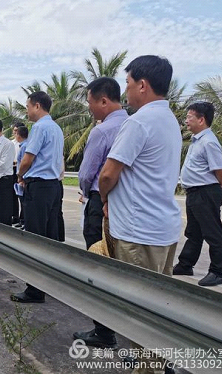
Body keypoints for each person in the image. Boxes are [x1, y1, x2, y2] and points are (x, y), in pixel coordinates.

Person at [99, 55, 181, 374]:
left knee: (140, 315)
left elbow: (108, 174)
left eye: (129, 84)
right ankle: (162, 363)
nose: (128, 91)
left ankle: (151, 369)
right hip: (163, 229)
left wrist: (105, 199)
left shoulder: (138, 122)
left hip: (137, 232)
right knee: (159, 308)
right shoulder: (169, 120)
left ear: (143, 85)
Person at [72, 77, 128, 350]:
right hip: (126, 203)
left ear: (104, 101)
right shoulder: (133, 124)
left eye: (91, 103)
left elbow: (87, 173)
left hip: (99, 199)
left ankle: (103, 331)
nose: (90, 109)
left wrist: (88, 191)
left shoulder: (102, 131)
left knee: (98, 262)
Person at [11, 91, 64, 302]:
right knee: (50, 237)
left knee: (34, 238)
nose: (27, 111)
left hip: (39, 187)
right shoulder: (56, 128)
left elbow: (27, 159)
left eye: (28, 106)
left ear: (37, 106)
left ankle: (35, 290)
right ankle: (49, 284)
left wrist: (20, 175)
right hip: (53, 186)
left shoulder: (40, 127)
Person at [173, 102, 222, 286]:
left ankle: (217, 272)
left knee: (212, 233)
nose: (186, 120)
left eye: (190, 117)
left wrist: (216, 187)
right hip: (195, 192)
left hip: (205, 191)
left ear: (201, 119)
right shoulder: (197, 140)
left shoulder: (209, 141)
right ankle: (185, 265)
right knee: (194, 232)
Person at [13, 125, 29, 229]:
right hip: (22, 175)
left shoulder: (24, 146)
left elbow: (24, 162)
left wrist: (20, 177)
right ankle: (23, 221)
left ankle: (25, 222)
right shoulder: (23, 145)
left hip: (23, 177)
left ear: (19, 135)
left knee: (24, 202)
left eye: (16, 133)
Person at [11, 122, 25, 224]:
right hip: (12, 169)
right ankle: (15, 216)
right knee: (13, 196)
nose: (16, 133)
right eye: (14, 131)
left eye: (17, 131)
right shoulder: (11, 143)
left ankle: (22, 217)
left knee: (22, 195)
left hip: (21, 170)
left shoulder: (25, 143)